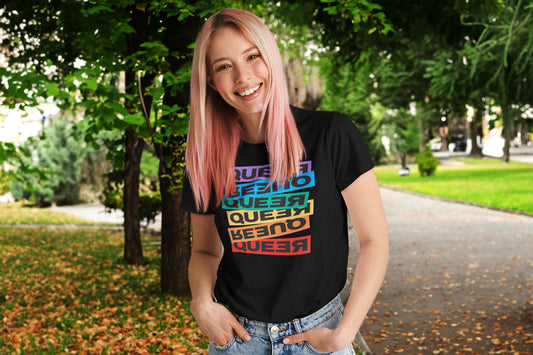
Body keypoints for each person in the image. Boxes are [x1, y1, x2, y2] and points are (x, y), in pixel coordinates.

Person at [181, 8, 389, 355]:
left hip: (319, 337)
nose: (243, 76)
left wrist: (343, 334)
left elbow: (375, 241)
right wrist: (201, 303)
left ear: (271, 57)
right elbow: (204, 251)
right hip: (239, 341)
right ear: (212, 82)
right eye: (224, 66)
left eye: (252, 56)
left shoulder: (332, 135)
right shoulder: (205, 157)